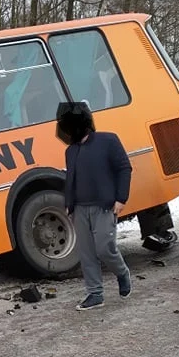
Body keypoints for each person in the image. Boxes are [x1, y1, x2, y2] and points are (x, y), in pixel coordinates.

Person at [58, 101, 133, 311]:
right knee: (86, 253)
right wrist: (68, 203)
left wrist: (121, 198)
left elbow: (124, 168)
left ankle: (122, 273)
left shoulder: (108, 140)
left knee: (104, 248)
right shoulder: (71, 151)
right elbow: (71, 177)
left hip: (104, 206)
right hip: (79, 208)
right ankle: (95, 293)